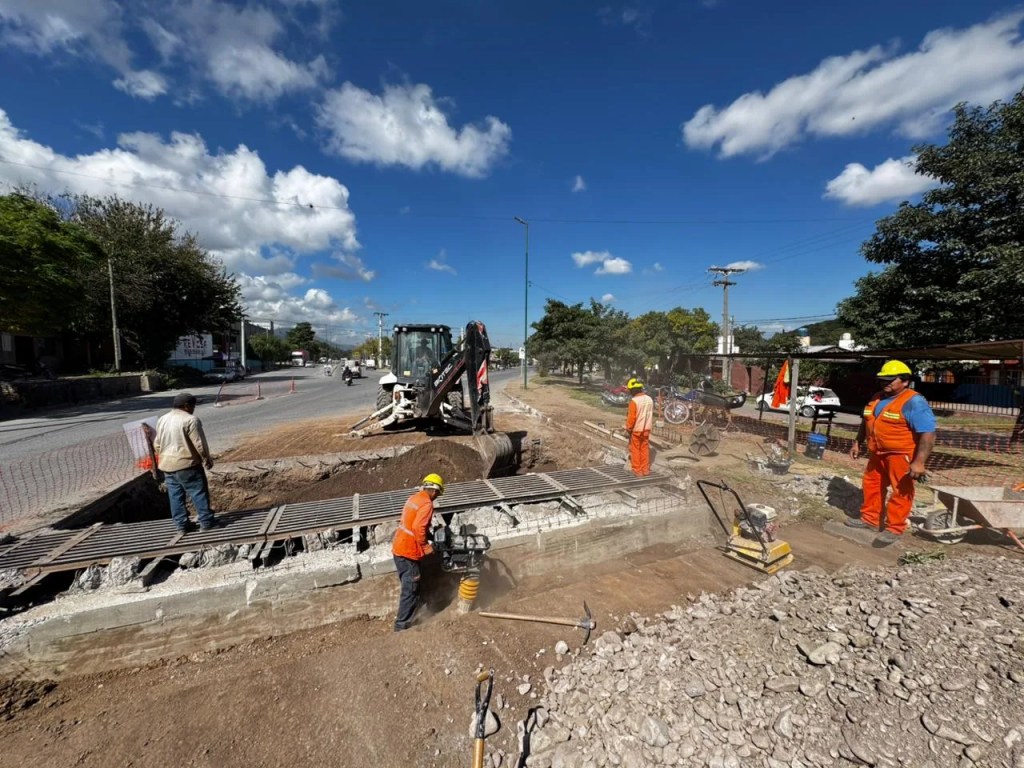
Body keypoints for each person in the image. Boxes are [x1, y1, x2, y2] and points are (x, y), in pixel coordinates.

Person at [847, 360, 936, 546]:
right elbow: (866, 421)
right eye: (883, 379)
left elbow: (928, 433)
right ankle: (870, 520)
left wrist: (919, 462)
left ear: (905, 381)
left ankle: (894, 528)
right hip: (877, 452)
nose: (885, 383)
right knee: (872, 485)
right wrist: (857, 442)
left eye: (890, 380)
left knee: (900, 491)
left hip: (900, 455)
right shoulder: (877, 397)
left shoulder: (914, 401)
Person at [154, 393, 223, 533]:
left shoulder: (162, 419)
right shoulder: (190, 420)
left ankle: (181, 525)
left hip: (167, 466)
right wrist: (207, 459)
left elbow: (157, 444)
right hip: (187, 464)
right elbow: (199, 443)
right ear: (186, 406)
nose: (193, 409)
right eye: (193, 406)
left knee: (175, 496)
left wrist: (163, 458)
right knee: (198, 492)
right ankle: (206, 522)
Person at [391, 473, 445, 632]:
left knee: (410, 584)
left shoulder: (414, 498)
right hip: (409, 551)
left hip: (399, 546)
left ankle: (416, 607)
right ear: (434, 490)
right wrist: (427, 547)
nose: (437, 497)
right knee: (410, 589)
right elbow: (418, 527)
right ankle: (401, 626)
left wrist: (429, 535)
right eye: (438, 493)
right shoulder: (427, 504)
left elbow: (411, 522)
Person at [624, 378, 654, 476]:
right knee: (644, 448)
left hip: (636, 429)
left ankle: (637, 470)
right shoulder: (649, 399)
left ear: (633, 390)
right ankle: (645, 470)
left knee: (635, 449)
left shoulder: (634, 401)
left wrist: (628, 429)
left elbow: (631, 418)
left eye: (630, 390)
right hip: (646, 429)